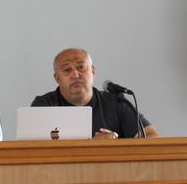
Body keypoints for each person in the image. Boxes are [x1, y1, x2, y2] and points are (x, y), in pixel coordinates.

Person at [31, 48, 159, 139]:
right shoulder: (44, 106)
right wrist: (93, 146)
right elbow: (32, 149)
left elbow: (152, 136)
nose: (75, 74)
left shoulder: (117, 101)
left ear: (93, 71)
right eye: (67, 70)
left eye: (81, 67)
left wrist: (116, 146)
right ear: (57, 78)